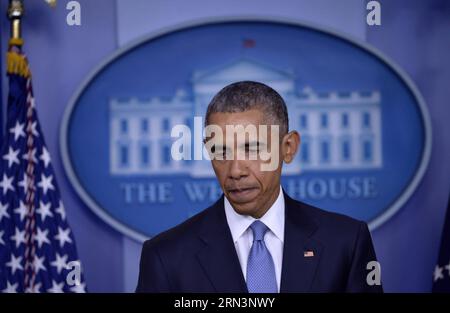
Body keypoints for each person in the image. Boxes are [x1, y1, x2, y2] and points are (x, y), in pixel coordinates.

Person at [136, 81, 383, 293]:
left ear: (288, 148)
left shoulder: (346, 243)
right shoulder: (165, 256)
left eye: (252, 149)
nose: (235, 171)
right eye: (220, 151)